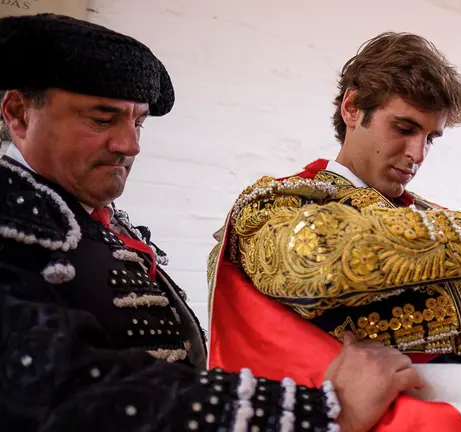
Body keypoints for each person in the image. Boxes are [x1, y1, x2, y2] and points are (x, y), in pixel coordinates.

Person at [0, 13, 423, 432]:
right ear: (19, 114)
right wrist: (323, 410)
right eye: (101, 118)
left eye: (139, 121)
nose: (131, 145)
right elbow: (54, 384)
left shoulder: (94, 221)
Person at [208, 31, 461, 375]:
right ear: (352, 108)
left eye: (430, 138)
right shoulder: (277, 202)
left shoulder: (431, 218)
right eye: (404, 128)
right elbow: (311, 260)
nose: (418, 154)